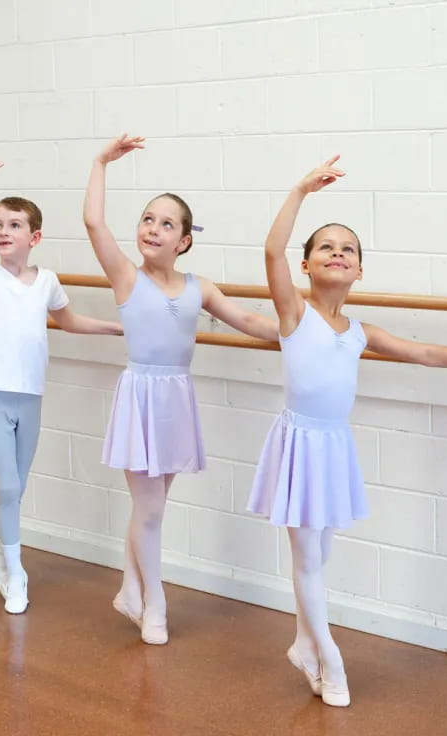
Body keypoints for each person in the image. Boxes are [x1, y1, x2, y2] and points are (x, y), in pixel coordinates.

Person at [248, 155, 447, 706]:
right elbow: (271, 250)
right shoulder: (293, 316)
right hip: (300, 443)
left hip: (333, 446)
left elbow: (423, 351)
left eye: (347, 249)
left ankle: (304, 643)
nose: (336, 252)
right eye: (325, 246)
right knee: (307, 560)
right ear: (306, 265)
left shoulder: (359, 332)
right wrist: (301, 190)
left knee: (318, 558)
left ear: (359, 271)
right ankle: (330, 657)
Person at [83, 135, 279, 645]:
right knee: (149, 511)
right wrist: (102, 162)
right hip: (141, 397)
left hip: (176, 401)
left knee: (152, 508)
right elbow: (93, 223)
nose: (153, 228)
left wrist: (300, 332)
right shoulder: (126, 277)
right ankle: (155, 604)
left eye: (166, 223)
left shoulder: (200, 287)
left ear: (184, 240)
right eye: (148, 219)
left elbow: (251, 320)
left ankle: (131, 590)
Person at [0, 160, 122, 613]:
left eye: (14, 225)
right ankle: (16, 573)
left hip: (32, 398)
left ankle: (0, 562)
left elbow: (69, 320)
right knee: (6, 487)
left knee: (16, 488)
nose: (4, 232)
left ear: (34, 237)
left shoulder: (46, 282)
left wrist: (114, 329)